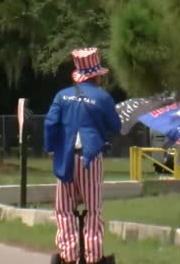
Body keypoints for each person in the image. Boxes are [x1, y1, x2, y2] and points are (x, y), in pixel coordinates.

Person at [44, 47, 121, 264]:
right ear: (96, 75)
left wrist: (51, 148)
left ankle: (68, 256)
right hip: (90, 159)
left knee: (64, 209)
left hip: (66, 159)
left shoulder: (62, 96)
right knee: (93, 209)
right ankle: (93, 256)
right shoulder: (103, 97)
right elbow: (115, 125)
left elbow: (50, 123)